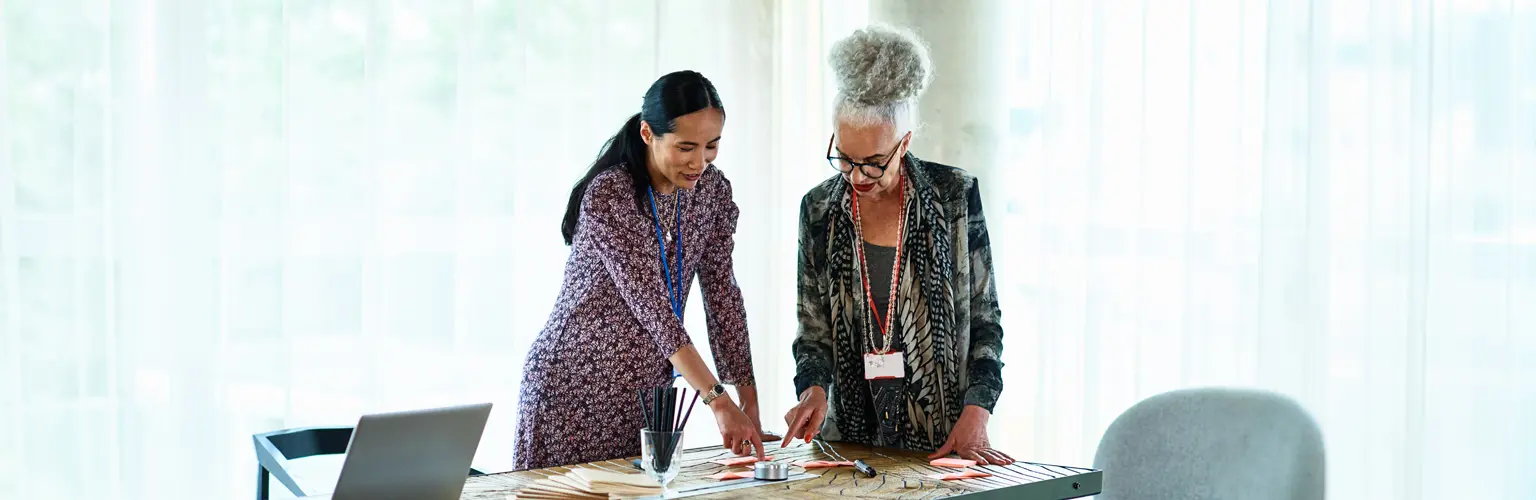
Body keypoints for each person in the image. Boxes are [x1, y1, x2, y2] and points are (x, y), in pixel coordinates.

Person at [783, 24, 1014, 466]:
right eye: (844, 158)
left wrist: (978, 411)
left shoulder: (954, 197)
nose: (856, 176)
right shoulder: (818, 209)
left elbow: (986, 322)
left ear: (904, 144)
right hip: (846, 443)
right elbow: (812, 332)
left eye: (873, 163)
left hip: (942, 439)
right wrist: (812, 390)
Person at [514, 70, 768, 471]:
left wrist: (748, 400)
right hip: (572, 390)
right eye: (686, 147)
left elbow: (723, 298)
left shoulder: (712, 192)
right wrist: (717, 400)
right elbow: (654, 310)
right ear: (648, 134)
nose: (699, 162)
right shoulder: (611, 194)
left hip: (646, 396)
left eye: (712, 146)